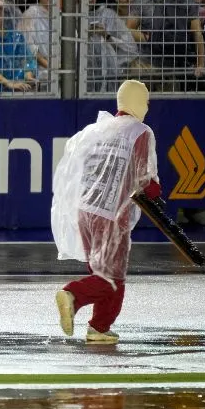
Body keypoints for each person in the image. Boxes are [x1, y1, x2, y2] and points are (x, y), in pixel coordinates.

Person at [51, 80, 161, 344]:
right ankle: (73, 295)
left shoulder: (100, 129)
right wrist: (156, 194)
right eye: (145, 100)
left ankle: (99, 328)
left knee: (104, 273)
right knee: (111, 277)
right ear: (137, 101)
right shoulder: (140, 132)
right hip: (111, 214)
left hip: (85, 210)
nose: (147, 106)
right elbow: (145, 179)